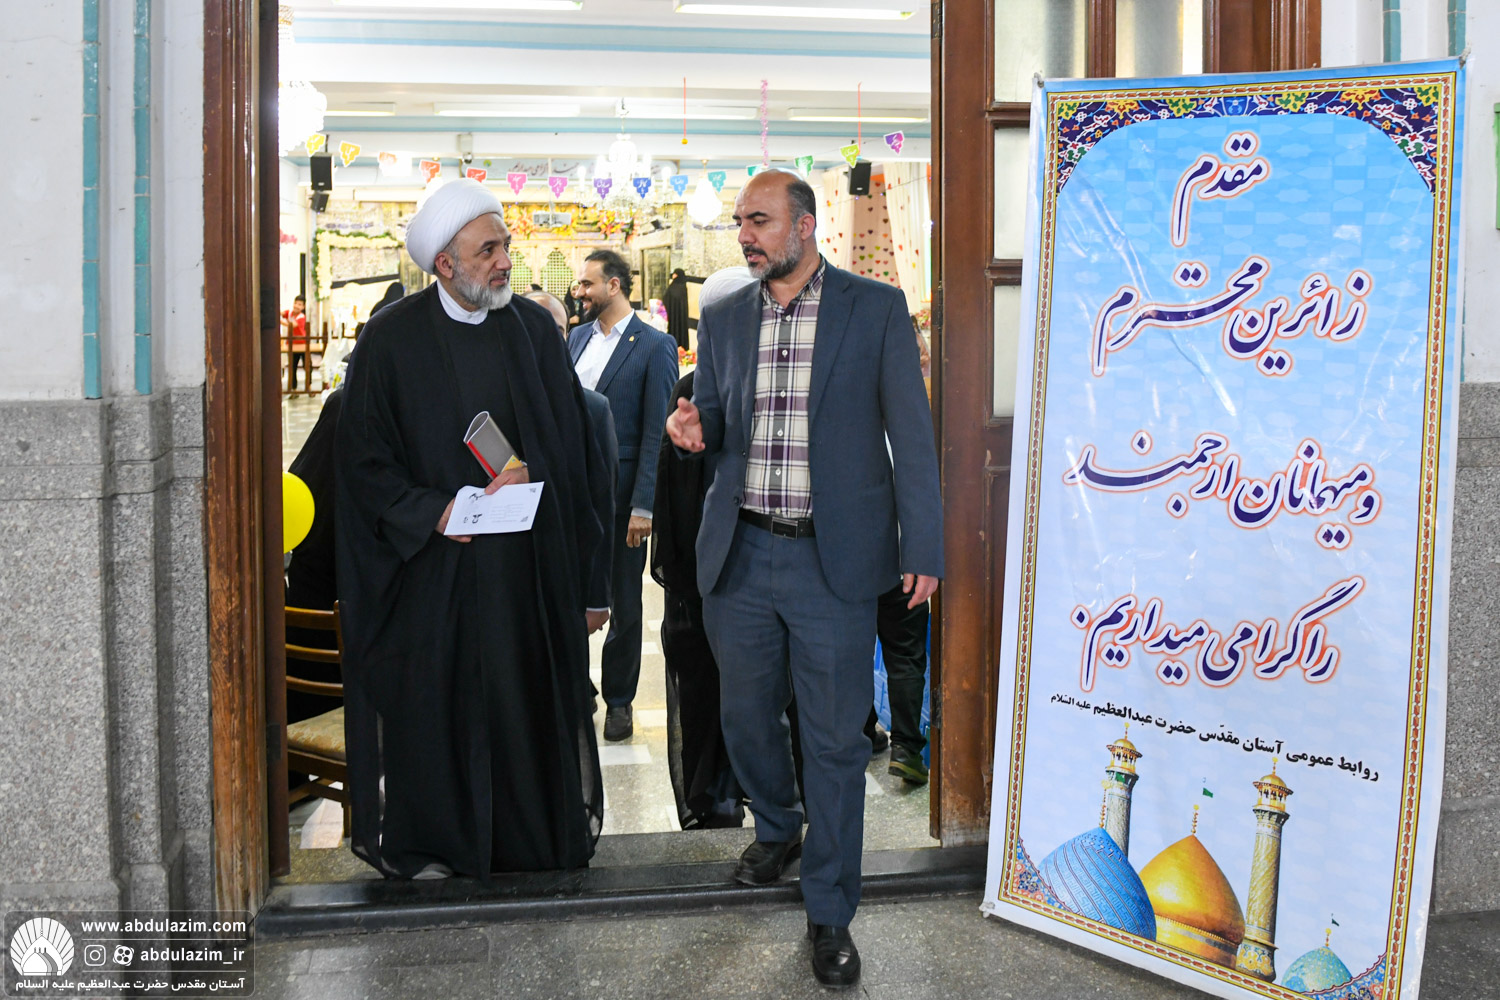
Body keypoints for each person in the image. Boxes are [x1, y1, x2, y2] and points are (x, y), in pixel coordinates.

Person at [665, 169, 942, 989]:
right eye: (739, 223)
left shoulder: (874, 309)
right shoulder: (724, 315)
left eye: (759, 220)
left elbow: (911, 434)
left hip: (834, 561)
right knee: (745, 717)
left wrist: (923, 545)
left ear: (805, 226)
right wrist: (695, 426)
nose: (744, 236)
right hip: (742, 555)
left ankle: (829, 908)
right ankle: (779, 824)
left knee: (833, 740)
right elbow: (722, 417)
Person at [334, 179, 613, 879]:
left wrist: (537, 480)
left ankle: (530, 844)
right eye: (487, 250)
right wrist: (435, 511)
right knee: (440, 717)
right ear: (445, 264)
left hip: (524, 578)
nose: (504, 261)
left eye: (505, 246)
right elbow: (362, 463)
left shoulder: (531, 331)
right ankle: (440, 845)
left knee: (523, 710)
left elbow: (576, 449)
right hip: (435, 577)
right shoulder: (390, 339)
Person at [650, 267, 756, 830]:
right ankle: (714, 794)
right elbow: (679, 493)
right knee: (708, 689)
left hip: (761, 571)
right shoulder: (691, 392)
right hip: (707, 578)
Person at [567, 249, 679, 742]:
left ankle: (619, 700)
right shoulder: (575, 338)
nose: (580, 291)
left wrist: (644, 504)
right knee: (569, 596)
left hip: (620, 497)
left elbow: (657, 430)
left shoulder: (655, 345)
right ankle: (578, 689)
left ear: (613, 286)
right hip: (571, 495)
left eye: (587, 283)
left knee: (624, 604)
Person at [528, 288, 620, 627]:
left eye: (557, 330)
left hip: (564, 576)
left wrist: (597, 598)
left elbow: (601, 505)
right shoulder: (483, 405)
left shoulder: (592, 411)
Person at [280, 294, 309, 390]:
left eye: (299, 304)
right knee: (292, 367)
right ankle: (293, 388)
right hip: (291, 344)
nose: (296, 306)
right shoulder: (289, 313)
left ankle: (308, 386)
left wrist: (279, 321)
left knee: (307, 366)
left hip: (302, 344)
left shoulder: (301, 317)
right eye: (295, 303)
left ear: (303, 307)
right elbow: (281, 313)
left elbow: (293, 325)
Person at [663, 267, 690, 352]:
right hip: (680, 314)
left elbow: (666, 298)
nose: (673, 275)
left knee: (675, 328)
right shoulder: (683, 286)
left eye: (675, 273)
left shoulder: (674, 286)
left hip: (673, 314)